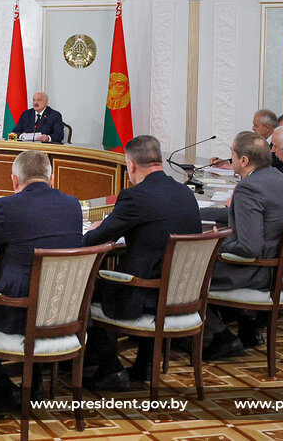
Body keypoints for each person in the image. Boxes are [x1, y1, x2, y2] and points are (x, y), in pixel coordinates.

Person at [0, 149, 83, 408]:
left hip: (19, 314)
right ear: (51, 179)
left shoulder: (6, 207)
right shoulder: (73, 205)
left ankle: (4, 389)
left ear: (14, 181)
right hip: (66, 314)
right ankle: (33, 387)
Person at [82, 135, 201, 390]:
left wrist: (96, 228)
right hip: (182, 293)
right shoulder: (185, 192)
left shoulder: (135, 197)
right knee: (151, 266)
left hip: (146, 295)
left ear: (131, 164)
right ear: (160, 160)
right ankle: (144, 363)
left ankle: (110, 368)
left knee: (84, 290)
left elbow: (93, 240)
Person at [203, 132, 283, 360]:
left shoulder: (249, 187)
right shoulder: (281, 178)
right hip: (282, 269)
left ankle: (222, 337)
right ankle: (249, 328)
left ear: (244, 160)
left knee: (186, 275)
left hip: (260, 272)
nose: (231, 158)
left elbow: (249, 248)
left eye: (233, 154)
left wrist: (217, 243)